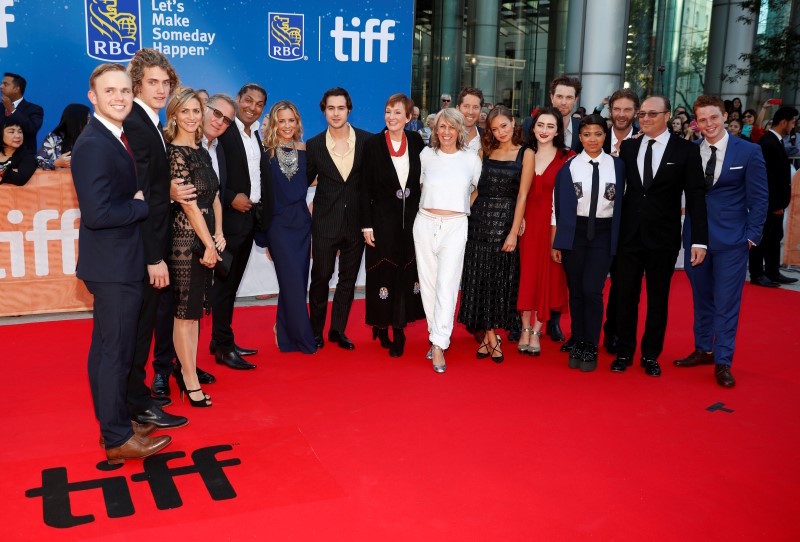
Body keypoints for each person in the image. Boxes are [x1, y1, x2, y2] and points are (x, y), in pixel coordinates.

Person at [72, 63, 170, 463]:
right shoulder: (95, 143)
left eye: (125, 91)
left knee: (108, 350)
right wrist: (138, 206)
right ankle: (116, 438)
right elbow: (97, 213)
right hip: (113, 266)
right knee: (114, 353)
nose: (119, 97)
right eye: (109, 91)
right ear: (92, 96)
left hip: (116, 262)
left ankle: (116, 423)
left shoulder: (115, 135)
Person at [673, 95, 768, 388]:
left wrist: (752, 236)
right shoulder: (691, 152)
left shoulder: (748, 152)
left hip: (732, 241)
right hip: (696, 239)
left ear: (725, 116)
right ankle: (704, 348)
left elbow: (760, 197)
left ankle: (724, 360)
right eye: (702, 120)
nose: (709, 124)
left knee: (727, 303)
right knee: (702, 297)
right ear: (696, 123)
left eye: (713, 117)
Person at [611, 95, 708, 377]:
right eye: (641, 114)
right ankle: (624, 351)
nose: (645, 119)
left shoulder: (686, 151)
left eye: (652, 114)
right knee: (625, 296)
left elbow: (696, 197)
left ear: (667, 116)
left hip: (663, 238)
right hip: (629, 236)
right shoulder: (628, 148)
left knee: (658, 298)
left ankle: (651, 354)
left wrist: (699, 240)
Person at [123, 49, 188, 429]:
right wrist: (153, 257)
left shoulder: (150, 122)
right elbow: (141, 194)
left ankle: (137, 399)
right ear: (136, 85)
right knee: (137, 330)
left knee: (142, 327)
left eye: (166, 83)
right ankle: (136, 404)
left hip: (150, 244)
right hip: (144, 249)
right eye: (153, 82)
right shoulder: (135, 122)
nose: (161, 89)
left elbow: (150, 185)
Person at [458, 106, 534, 362]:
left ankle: (491, 337)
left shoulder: (527, 153)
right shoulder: (485, 151)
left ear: (513, 122)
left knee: (496, 279)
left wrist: (513, 231)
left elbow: (523, 195)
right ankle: (491, 337)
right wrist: (456, 213)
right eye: (494, 128)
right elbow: (479, 189)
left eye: (504, 125)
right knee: (479, 278)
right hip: (479, 222)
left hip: (504, 223)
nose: (500, 132)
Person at [163, 87, 224, 407]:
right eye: (184, 111)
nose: (191, 117)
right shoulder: (174, 153)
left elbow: (213, 195)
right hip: (185, 241)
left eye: (196, 111)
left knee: (196, 314)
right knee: (184, 315)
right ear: (173, 115)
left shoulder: (201, 151)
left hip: (204, 238)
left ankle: (189, 371)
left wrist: (220, 232)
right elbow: (188, 205)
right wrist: (207, 243)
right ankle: (188, 379)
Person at [552, 115, 625, 372]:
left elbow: (623, 204)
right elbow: (558, 207)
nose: (592, 139)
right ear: (579, 137)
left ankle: (591, 343)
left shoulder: (618, 166)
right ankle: (579, 339)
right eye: (586, 134)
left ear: (605, 136)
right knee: (577, 291)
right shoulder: (570, 167)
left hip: (604, 233)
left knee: (592, 289)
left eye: (597, 133)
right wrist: (558, 242)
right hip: (575, 233)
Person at [414, 108, 482, 373]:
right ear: (435, 129)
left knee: (447, 285)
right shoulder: (426, 155)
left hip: (455, 226)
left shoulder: (470, 159)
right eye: (441, 126)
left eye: (451, 127)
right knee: (429, 284)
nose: (445, 132)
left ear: (459, 130)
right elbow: (419, 185)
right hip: (425, 223)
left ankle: (440, 344)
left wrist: (463, 205)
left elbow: (479, 188)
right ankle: (436, 337)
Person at [211, 83, 272, 368]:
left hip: (249, 220)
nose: (252, 107)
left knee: (232, 285)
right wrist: (229, 196)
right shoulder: (225, 129)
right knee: (224, 285)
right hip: (228, 219)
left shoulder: (254, 133)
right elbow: (211, 171)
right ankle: (223, 347)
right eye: (248, 101)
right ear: (238, 100)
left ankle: (221, 339)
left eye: (259, 103)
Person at [360, 93, 426, 357]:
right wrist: (366, 225)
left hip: (411, 223)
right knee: (382, 274)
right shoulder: (373, 144)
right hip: (381, 222)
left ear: (409, 117)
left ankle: (399, 329)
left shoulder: (417, 141)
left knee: (405, 274)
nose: (392, 117)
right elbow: (364, 188)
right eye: (388, 111)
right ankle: (381, 325)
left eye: (398, 112)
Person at [306, 87, 371, 350]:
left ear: (349, 109)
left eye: (340, 108)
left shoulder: (368, 141)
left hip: (357, 223)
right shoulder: (314, 145)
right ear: (324, 111)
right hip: (324, 222)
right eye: (330, 108)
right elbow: (303, 181)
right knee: (321, 277)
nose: (336, 113)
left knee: (348, 280)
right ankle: (315, 331)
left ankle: (337, 331)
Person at [256, 100, 317, 354]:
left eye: (291, 120)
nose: (287, 125)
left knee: (298, 281)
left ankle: (284, 332)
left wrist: (312, 214)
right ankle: (304, 338)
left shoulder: (306, 150)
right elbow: (260, 196)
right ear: (274, 123)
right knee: (291, 280)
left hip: (302, 224)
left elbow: (320, 182)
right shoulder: (265, 153)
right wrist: (265, 237)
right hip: (278, 226)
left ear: (298, 122)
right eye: (282, 121)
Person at [517, 107, 573, 356]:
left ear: (558, 130)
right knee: (527, 275)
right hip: (525, 225)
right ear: (533, 127)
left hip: (551, 226)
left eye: (551, 126)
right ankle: (524, 329)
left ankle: (538, 330)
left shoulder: (567, 157)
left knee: (548, 276)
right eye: (541, 125)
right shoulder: (523, 154)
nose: (544, 131)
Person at [599, 89, 640, 355]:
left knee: (623, 283)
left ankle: (613, 332)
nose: (621, 115)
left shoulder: (644, 141)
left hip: (629, 224)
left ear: (635, 112)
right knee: (590, 281)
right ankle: (584, 332)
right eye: (617, 109)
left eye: (627, 110)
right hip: (597, 221)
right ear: (610, 110)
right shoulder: (596, 137)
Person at [749, 105, 799, 287]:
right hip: (769, 203)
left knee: (774, 237)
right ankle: (757, 273)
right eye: (793, 122)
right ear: (784, 122)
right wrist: (775, 203)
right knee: (763, 238)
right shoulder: (767, 143)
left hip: (776, 202)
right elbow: (767, 178)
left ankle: (772, 271)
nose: (793, 126)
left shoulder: (775, 141)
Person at [36, 103, 90, 170]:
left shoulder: (91, 139)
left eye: (90, 119)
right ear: (76, 121)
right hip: (58, 179)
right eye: (87, 119)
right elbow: (38, 161)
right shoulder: (54, 138)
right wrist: (57, 163)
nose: (89, 123)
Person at [1, 72, 43, 154]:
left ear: (16, 89)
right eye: (1, 83)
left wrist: (12, 109)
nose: (1, 87)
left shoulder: (35, 109)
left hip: (24, 158)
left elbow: (31, 129)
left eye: (5, 84)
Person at [549, 75, 583, 154]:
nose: (563, 102)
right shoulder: (531, 125)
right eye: (559, 96)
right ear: (552, 97)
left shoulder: (582, 128)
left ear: (575, 100)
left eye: (569, 97)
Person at [0, 116, 36, 186]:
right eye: (11, 132)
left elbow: (20, 179)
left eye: (20, 132)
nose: (18, 136)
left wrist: (3, 173)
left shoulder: (28, 155)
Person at [456, 86, 484, 153]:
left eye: (475, 107)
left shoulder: (488, 137)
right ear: (457, 108)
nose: (470, 112)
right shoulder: (444, 135)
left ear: (481, 111)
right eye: (466, 106)